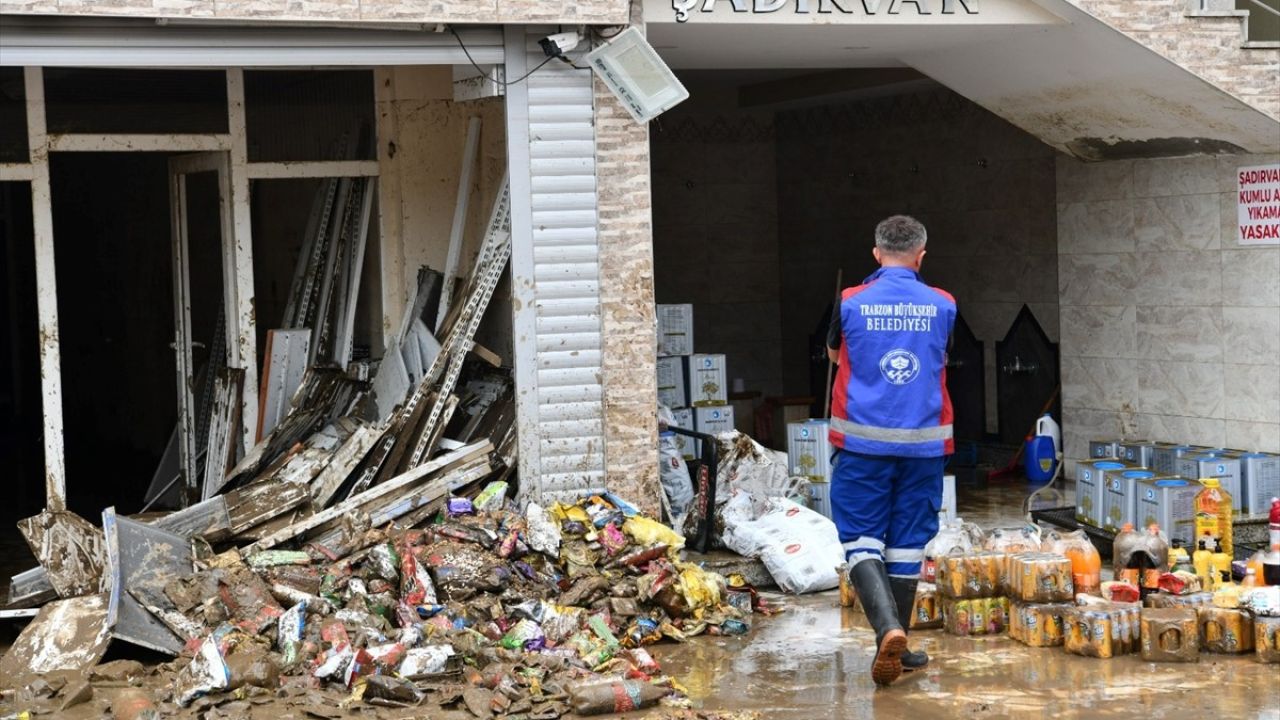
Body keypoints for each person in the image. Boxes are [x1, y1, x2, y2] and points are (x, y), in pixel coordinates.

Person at [826, 215, 955, 686]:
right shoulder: (943, 304)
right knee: (906, 544)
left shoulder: (849, 302)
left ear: (876, 254)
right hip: (924, 445)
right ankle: (897, 644)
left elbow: (836, 356)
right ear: (921, 256)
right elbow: (942, 355)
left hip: (863, 444)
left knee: (861, 538)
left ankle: (889, 631)